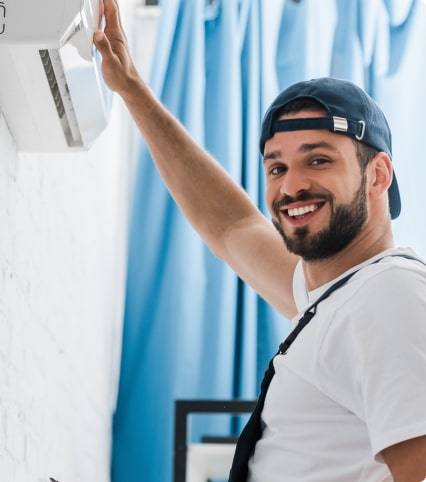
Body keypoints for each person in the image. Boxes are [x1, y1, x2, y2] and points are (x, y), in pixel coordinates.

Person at [93, 0, 426, 480]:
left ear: (378, 176)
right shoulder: (335, 297)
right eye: (276, 167)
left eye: (317, 160)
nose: (291, 187)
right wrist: (132, 90)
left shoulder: (389, 295)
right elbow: (231, 227)